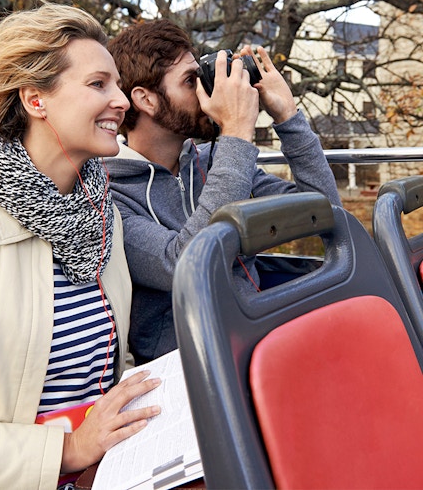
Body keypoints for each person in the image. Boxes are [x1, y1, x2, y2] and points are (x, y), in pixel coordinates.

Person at [0, 1, 162, 490]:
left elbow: (112, 366)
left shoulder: (102, 216)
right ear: (35, 100)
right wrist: (69, 449)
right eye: (98, 84)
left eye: (117, 83)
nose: (123, 101)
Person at [106, 19, 342, 365]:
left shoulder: (216, 160)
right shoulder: (112, 193)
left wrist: (288, 117)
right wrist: (236, 132)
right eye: (191, 81)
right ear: (146, 100)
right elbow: (184, 264)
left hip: (261, 335)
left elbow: (324, 212)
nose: (207, 93)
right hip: (188, 366)